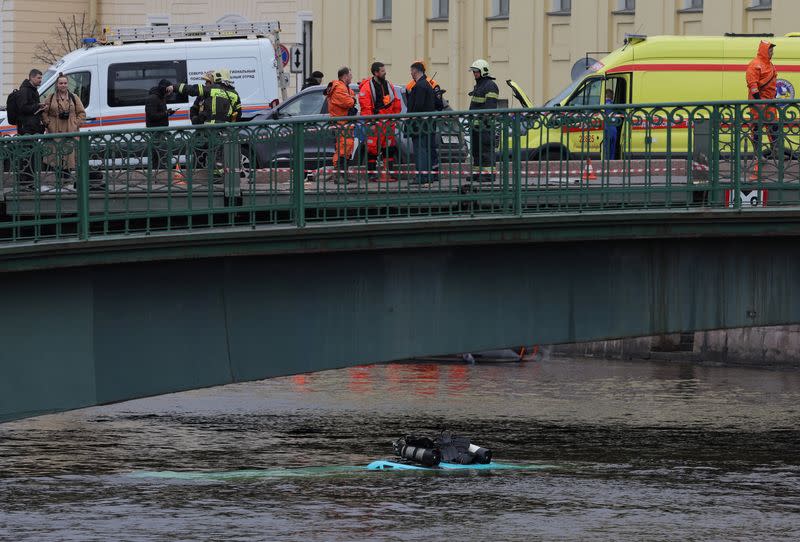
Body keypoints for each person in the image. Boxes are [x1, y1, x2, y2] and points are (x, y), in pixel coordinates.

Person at [41, 73, 86, 189]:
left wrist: (75, 123)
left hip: (70, 131)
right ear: (57, 84)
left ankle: (67, 181)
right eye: (61, 83)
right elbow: (44, 113)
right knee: (55, 157)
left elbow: (82, 113)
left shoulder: (74, 97)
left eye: (65, 83)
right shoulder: (50, 97)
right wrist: (48, 123)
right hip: (54, 131)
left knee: (69, 157)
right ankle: (58, 181)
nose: (63, 85)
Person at [359, 61, 402, 181]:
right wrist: (371, 123)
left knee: (389, 149)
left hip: (388, 123)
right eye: (382, 71)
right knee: (372, 149)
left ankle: (387, 174)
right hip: (375, 123)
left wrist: (395, 117)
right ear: (376, 73)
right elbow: (366, 108)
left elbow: (395, 102)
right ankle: (371, 175)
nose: (385, 73)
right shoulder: (367, 88)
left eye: (384, 70)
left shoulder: (388, 85)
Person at [746, 40, 779, 166]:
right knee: (757, 128)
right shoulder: (755, 64)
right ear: (764, 51)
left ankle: (776, 149)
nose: (772, 52)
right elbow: (752, 84)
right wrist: (758, 101)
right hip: (758, 103)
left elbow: (773, 83)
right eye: (770, 50)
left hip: (769, 103)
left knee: (774, 126)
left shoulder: (770, 65)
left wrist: (773, 96)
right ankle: (758, 155)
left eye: (772, 50)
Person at [323, 66, 357, 183]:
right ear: (345, 76)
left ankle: (344, 174)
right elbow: (348, 102)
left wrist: (352, 99)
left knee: (347, 148)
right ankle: (338, 176)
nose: (351, 77)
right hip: (340, 123)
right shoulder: (338, 88)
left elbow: (351, 97)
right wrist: (352, 100)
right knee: (341, 149)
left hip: (345, 123)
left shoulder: (343, 88)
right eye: (350, 75)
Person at [15, 69, 47, 191]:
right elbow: (23, 108)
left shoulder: (32, 90)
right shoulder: (25, 90)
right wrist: (37, 106)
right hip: (26, 129)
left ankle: (29, 183)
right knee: (26, 158)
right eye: (38, 78)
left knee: (31, 157)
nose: (40, 80)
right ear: (32, 78)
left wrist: (39, 107)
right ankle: (25, 184)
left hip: (31, 128)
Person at [468, 59, 499, 183]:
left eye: (476, 71)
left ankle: (488, 175)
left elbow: (490, 107)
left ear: (483, 71)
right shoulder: (480, 85)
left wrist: (484, 121)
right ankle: (477, 173)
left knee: (485, 150)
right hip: (476, 125)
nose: (474, 73)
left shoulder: (490, 85)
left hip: (485, 125)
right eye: (474, 71)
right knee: (476, 151)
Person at [406, 61, 437, 184]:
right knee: (426, 151)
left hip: (419, 124)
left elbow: (417, 105)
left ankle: (421, 178)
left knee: (420, 151)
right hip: (427, 123)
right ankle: (427, 177)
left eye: (411, 71)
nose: (411, 74)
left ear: (415, 71)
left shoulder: (419, 86)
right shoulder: (427, 84)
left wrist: (411, 118)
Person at [144, 78, 176, 172]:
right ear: (164, 89)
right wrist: (166, 113)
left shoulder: (161, 97)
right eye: (168, 90)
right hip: (155, 132)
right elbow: (151, 115)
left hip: (161, 131)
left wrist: (167, 113)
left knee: (160, 155)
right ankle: (160, 175)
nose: (170, 93)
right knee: (159, 155)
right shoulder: (153, 98)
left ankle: (159, 175)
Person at [603, 88, 618, 161]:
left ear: (605, 95)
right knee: (612, 151)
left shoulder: (604, 105)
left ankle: (606, 166)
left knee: (606, 151)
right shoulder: (614, 106)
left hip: (607, 129)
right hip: (614, 130)